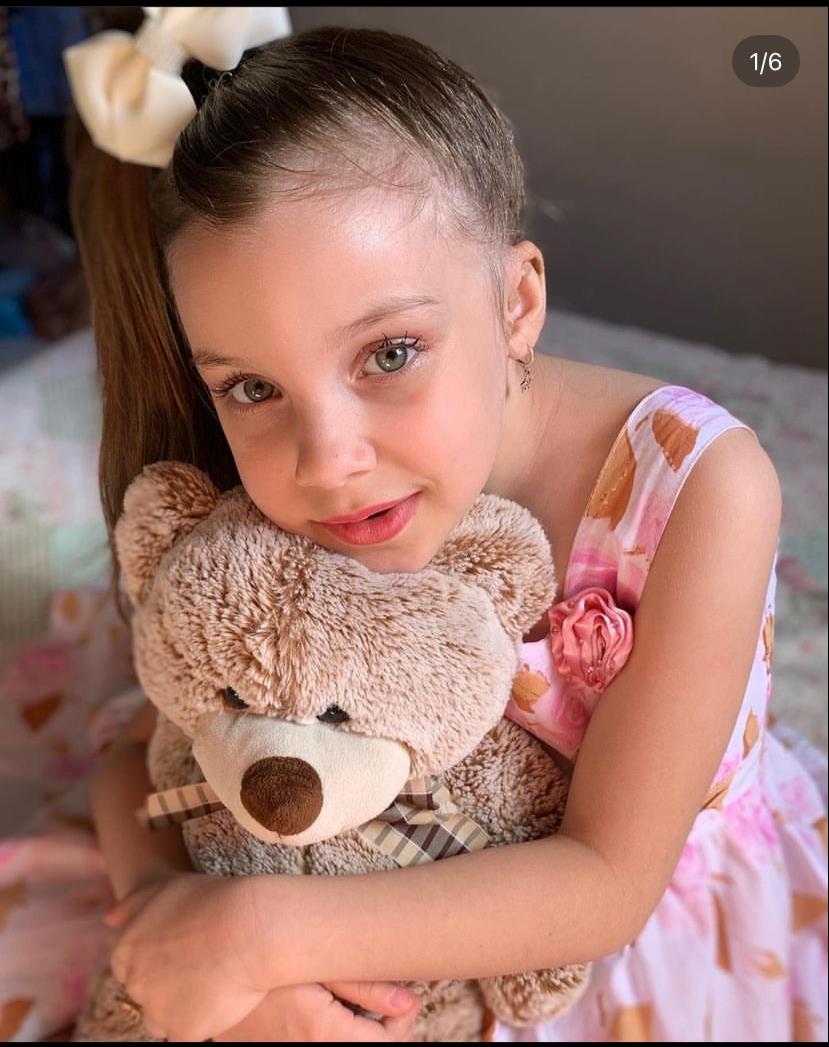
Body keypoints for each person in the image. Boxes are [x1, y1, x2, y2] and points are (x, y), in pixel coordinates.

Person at [62, 10, 827, 1043]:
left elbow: (606, 882)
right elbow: (141, 759)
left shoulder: (700, 490)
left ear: (516, 302)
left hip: (606, 954)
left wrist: (257, 933)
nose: (328, 458)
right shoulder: (277, 494)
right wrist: (184, 920)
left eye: (388, 354)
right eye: (252, 386)